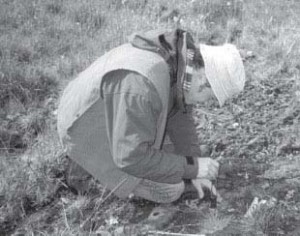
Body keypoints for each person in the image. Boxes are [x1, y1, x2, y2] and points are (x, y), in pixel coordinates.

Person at [57, 28, 245, 203]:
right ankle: (86, 171)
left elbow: (180, 115)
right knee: (170, 188)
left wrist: (195, 168)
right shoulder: (142, 86)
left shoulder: (181, 63)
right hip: (83, 123)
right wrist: (192, 168)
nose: (203, 103)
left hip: (115, 110)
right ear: (203, 80)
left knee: (172, 158)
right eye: (208, 97)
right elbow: (130, 157)